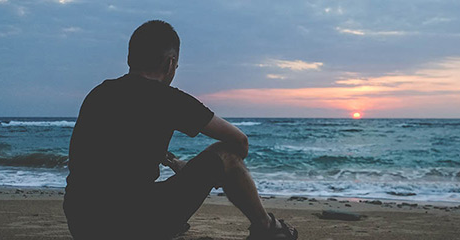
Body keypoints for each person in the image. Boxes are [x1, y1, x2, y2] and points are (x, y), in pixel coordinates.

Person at [63, 20, 298, 240]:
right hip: (132, 223)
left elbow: (108, 158)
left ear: (129, 58)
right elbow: (239, 142)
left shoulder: (98, 94)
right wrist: (200, 172)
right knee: (226, 155)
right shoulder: (170, 100)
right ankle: (266, 227)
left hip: (82, 222)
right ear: (170, 63)